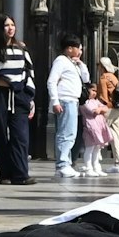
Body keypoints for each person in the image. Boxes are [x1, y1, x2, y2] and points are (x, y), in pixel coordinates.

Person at [0, 15, 36, 185]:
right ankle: (5, 174)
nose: (11, 28)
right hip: (0, 95)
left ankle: (21, 174)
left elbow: (29, 74)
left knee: (20, 136)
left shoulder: (22, 50)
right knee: (0, 135)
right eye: (6, 25)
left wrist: (30, 97)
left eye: (13, 24)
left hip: (19, 96)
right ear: (0, 28)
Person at [46, 34, 89, 179]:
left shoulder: (72, 63)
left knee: (70, 133)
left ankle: (66, 163)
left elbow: (86, 78)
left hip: (73, 101)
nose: (80, 52)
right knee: (65, 134)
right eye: (79, 49)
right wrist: (55, 101)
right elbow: (52, 81)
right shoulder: (61, 60)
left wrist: (80, 64)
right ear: (70, 49)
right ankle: (62, 164)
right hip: (65, 99)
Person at [92, 57, 119, 175]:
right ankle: (118, 163)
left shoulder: (103, 78)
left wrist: (101, 108)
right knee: (117, 135)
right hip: (118, 109)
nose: (98, 68)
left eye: (98, 66)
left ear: (102, 66)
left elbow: (103, 97)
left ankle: (94, 160)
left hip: (108, 109)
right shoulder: (114, 78)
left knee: (98, 133)